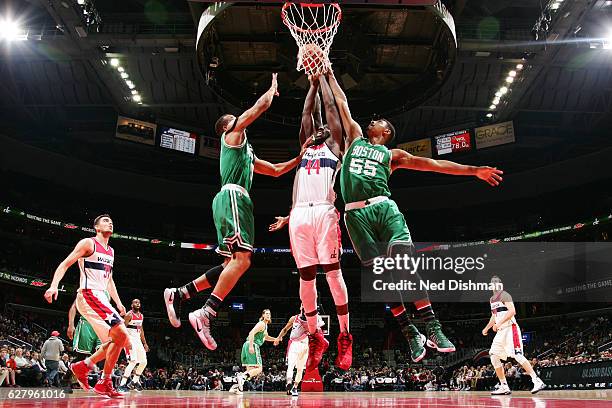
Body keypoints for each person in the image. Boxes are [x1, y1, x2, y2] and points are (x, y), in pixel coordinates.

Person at [325, 68, 504, 362]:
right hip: (355, 216)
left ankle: (432, 326)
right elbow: (341, 104)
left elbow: (434, 164)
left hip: (384, 209)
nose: (372, 120)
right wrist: (329, 74)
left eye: (379, 122)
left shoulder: (394, 155)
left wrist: (474, 171)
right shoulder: (354, 140)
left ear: (385, 133)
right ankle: (410, 333)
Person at [164, 74, 307, 350]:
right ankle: (206, 312)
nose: (239, 121)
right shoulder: (231, 137)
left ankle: (180, 293)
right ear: (227, 126)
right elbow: (258, 109)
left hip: (235, 201)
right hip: (233, 197)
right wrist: (272, 88)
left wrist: (300, 158)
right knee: (243, 261)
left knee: (232, 264)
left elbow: (276, 171)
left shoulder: (247, 154)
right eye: (235, 118)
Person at [268, 74, 352, 371]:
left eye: (326, 127)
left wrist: (325, 80)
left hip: (325, 212)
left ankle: (344, 334)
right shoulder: (306, 146)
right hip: (300, 213)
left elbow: (331, 107)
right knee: (305, 278)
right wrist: (312, 83)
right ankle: (316, 336)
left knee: (331, 274)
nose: (321, 127)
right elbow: (306, 113)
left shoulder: (336, 147)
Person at [44, 214, 129, 398]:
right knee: (122, 332)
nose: (110, 223)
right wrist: (53, 285)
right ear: (96, 227)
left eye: (112, 221)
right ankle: (102, 380)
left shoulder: (111, 251)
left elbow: (109, 280)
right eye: (105, 221)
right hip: (88, 294)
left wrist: (119, 303)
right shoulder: (88, 243)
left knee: (120, 340)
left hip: (101, 297)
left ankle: (84, 368)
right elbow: (65, 263)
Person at [483, 276, 546, 395]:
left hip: (510, 329)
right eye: (493, 283)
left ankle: (537, 381)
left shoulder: (505, 295)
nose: (495, 284)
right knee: (493, 356)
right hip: (500, 332)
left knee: (517, 356)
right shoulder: (492, 299)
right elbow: (494, 316)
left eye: (497, 282)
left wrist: (499, 323)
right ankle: (504, 386)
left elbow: (512, 311)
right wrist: (487, 328)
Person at [275, 305, 325, 397]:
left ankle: (295, 387)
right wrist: (278, 337)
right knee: (290, 365)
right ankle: (289, 383)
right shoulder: (294, 318)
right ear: (300, 308)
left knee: (300, 369)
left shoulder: (313, 319)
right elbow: (285, 329)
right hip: (294, 344)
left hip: (305, 346)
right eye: (303, 305)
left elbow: (320, 329)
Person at [231, 309, 280, 395]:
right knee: (259, 368)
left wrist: (275, 339)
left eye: (269, 314)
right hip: (252, 344)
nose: (268, 315)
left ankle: (236, 386)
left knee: (250, 371)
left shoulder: (265, 325)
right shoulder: (261, 324)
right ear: (263, 315)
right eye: (266, 313)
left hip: (247, 345)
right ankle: (241, 377)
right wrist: (251, 346)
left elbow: (266, 337)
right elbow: (251, 333)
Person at [118, 299, 149, 392]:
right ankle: (122, 384)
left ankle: (134, 382)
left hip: (138, 340)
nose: (138, 304)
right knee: (133, 361)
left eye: (139, 302)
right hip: (129, 340)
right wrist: (125, 342)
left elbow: (141, 330)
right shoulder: (128, 315)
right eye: (135, 302)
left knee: (144, 362)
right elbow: (122, 329)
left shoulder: (141, 316)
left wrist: (145, 343)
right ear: (132, 305)